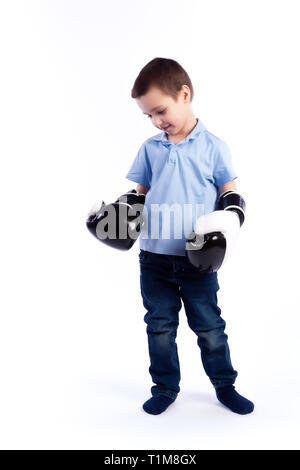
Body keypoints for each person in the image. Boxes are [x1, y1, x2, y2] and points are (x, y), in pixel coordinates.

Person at [125, 57, 254, 415]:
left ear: (184, 94)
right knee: (160, 327)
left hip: (198, 257)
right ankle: (165, 388)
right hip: (154, 257)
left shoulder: (214, 146)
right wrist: (120, 217)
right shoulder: (151, 148)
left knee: (210, 326)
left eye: (160, 110)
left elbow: (231, 194)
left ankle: (225, 386)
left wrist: (229, 221)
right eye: (148, 115)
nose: (156, 121)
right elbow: (139, 192)